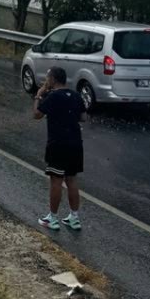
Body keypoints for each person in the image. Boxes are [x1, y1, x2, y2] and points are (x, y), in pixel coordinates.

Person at [34, 66, 85, 231]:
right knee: (72, 179)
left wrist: (38, 95)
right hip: (76, 144)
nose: (46, 81)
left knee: (56, 180)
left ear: (53, 79)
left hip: (58, 144)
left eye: (48, 78)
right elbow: (83, 117)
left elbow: (36, 114)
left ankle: (52, 218)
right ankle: (74, 217)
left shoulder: (52, 96)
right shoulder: (76, 95)